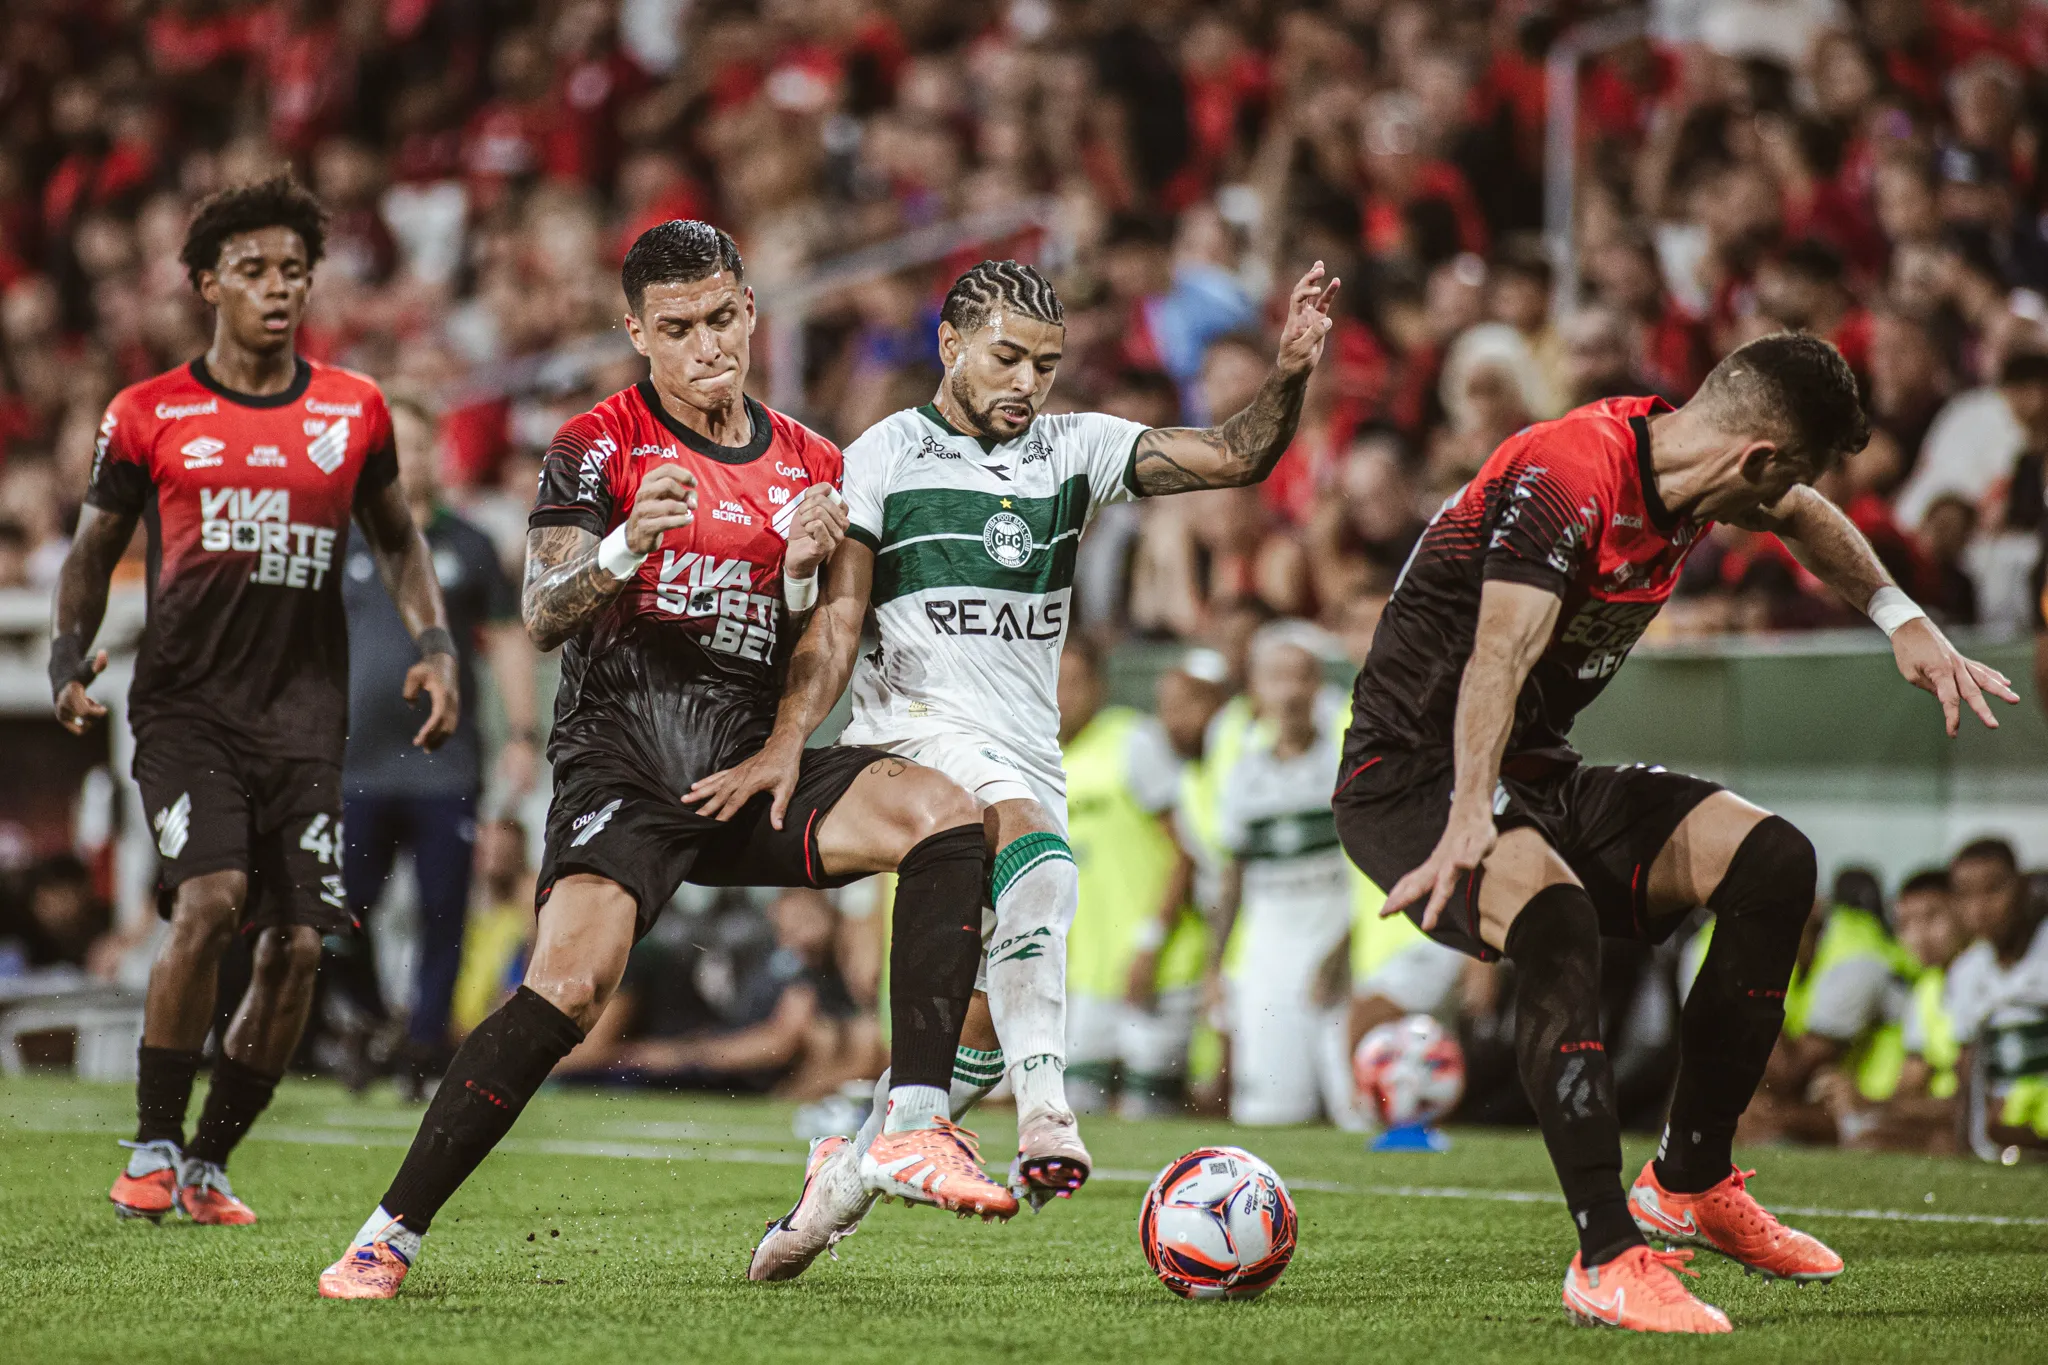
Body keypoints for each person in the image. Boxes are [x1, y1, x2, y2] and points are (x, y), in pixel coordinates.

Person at [318, 220, 1007, 1301]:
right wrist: (625, 544)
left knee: (945, 812)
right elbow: (542, 614)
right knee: (567, 989)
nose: (707, 346)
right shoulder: (599, 446)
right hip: (628, 771)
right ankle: (387, 1233)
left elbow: (823, 639)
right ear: (635, 332)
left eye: (722, 318)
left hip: (752, 767)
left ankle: (913, 1121)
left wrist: (803, 594)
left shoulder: (814, 463)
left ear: (750, 310)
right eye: (677, 328)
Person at [1334, 332, 2017, 1333]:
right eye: (1787, 475)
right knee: (1556, 917)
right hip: (1411, 780)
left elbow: (1802, 513)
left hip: (1533, 772)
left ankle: (1688, 1181)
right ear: (1757, 457)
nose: (1785, 499)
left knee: (1771, 861)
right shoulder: (1570, 473)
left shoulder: (1694, 471)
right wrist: (1471, 812)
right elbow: (1498, 652)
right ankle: (1606, 1257)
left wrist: (1896, 615)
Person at [697, 256, 1339, 1280]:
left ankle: (833, 1192)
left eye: (1045, 363)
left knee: (977, 1037)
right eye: (1006, 358)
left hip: (1024, 743)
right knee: (1040, 860)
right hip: (915, 733)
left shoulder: (1074, 450)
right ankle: (1048, 1116)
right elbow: (838, 624)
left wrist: (1290, 368)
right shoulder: (884, 455)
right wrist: (788, 738)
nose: (1027, 383)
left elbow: (1235, 453)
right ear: (949, 344)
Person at [50, 174, 459, 1228]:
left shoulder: (353, 409)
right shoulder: (147, 414)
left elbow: (399, 539)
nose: (277, 288)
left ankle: (208, 1161)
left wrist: (434, 646)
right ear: (206, 284)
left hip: (304, 722)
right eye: (252, 270)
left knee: (298, 947)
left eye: (293, 270)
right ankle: (152, 1140)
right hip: (186, 708)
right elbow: (92, 549)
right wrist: (65, 655)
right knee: (212, 900)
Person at [337, 394, 541, 1096]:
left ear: (438, 454)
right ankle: (373, 1019)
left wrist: (522, 732)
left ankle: (423, 1051)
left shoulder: (468, 544)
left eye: (419, 444)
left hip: (444, 764)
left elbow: (507, 640)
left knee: (443, 913)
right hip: (355, 764)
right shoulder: (343, 540)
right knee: (337, 911)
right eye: (394, 445)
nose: (408, 459)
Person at [1209, 624, 1356, 1126]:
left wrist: (1344, 950)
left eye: (1301, 677)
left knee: (1356, 1110)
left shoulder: (1345, 767)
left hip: (1337, 951)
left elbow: (1368, 876)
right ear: (1255, 688)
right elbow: (1232, 876)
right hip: (1266, 962)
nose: (1289, 692)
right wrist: (1213, 968)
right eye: (1276, 678)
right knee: (1269, 1114)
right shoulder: (1242, 774)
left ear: (1319, 686)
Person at [1057, 635, 1203, 1118]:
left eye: (1075, 682)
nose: (1062, 695)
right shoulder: (1043, 759)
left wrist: (1149, 942)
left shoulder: (1133, 740)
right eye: (1054, 681)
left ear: (1099, 686)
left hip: (1158, 963)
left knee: (1149, 1110)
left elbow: (1184, 851)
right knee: (1077, 1112)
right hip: (1090, 972)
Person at [1945, 838, 2048, 1160]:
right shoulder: (1966, 971)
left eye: (1993, 890)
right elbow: (1967, 1071)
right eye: (1965, 895)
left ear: (2022, 888)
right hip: (2000, 1131)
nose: (1980, 908)